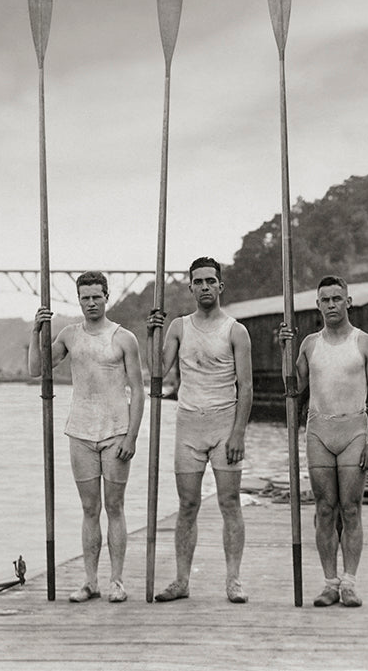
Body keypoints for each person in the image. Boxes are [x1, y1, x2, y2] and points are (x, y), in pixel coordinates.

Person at [28, 271, 145, 603]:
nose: (91, 303)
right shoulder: (69, 335)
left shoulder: (123, 338)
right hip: (80, 431)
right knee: (90, 508)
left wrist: (132, 437)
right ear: (78, 299)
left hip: (115, 431)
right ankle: (91, 581)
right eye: (85, 297)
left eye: (97, 296)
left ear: (107, 296)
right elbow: (37, 369)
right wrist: (36, 330)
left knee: (115, 506)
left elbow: (138, 391)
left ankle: (117, 581)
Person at [147, 257, 253, 603]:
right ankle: (181, 580)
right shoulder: (178, 327)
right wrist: (153, 335)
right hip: (189, 425)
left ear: (220, 286)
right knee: (187, 504)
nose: (205, 286)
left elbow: (247, 388)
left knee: (229, 502)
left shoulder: (236, 330)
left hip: (224, 424)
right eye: (198, 281)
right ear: (190, 287)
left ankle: (234, 580)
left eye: (211, 280)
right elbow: (159, 371)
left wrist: (238, 433)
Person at [279, 276, 368, 608]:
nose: (331, 305)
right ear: (318, 305)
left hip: (354, 428)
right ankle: (330, 582)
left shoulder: (366, 343)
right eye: (325, 300)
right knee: (324, 509)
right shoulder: (310, 344)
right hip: (319, 430)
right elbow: (293, 387)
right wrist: (284, 348)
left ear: (348, 302)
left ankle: (350, 582)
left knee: (351, 509)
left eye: (337, 299)